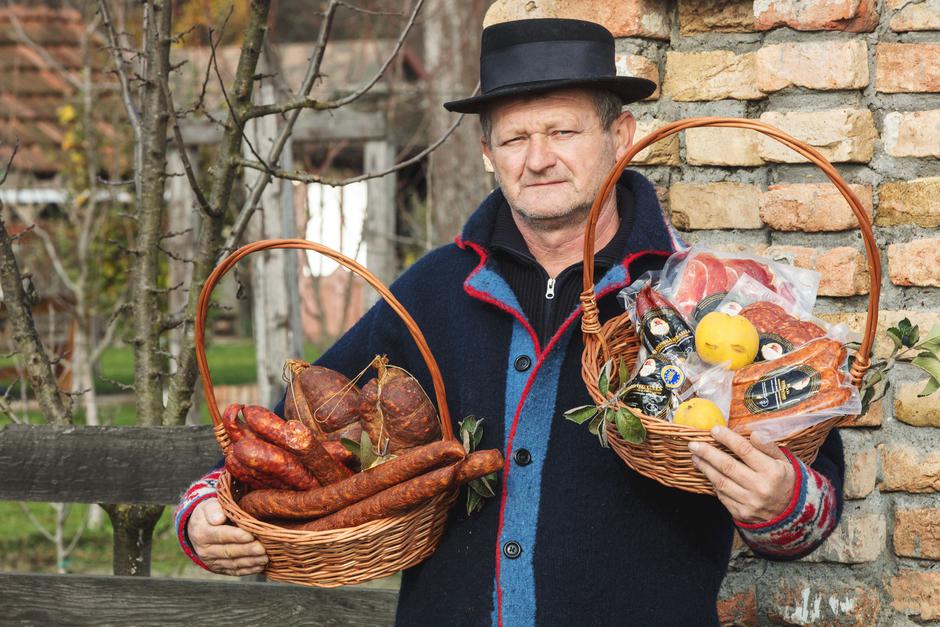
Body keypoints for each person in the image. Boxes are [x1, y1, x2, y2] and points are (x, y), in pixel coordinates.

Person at [176, 18, 844, 626]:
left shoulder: (701, 298)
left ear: (620, 136)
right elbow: (287, 427)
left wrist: (782, 500)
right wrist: (205, 510)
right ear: (489, 153)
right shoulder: (433, 289)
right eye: (515, 138)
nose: (538, 157)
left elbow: (811, 506)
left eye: (562, 131)